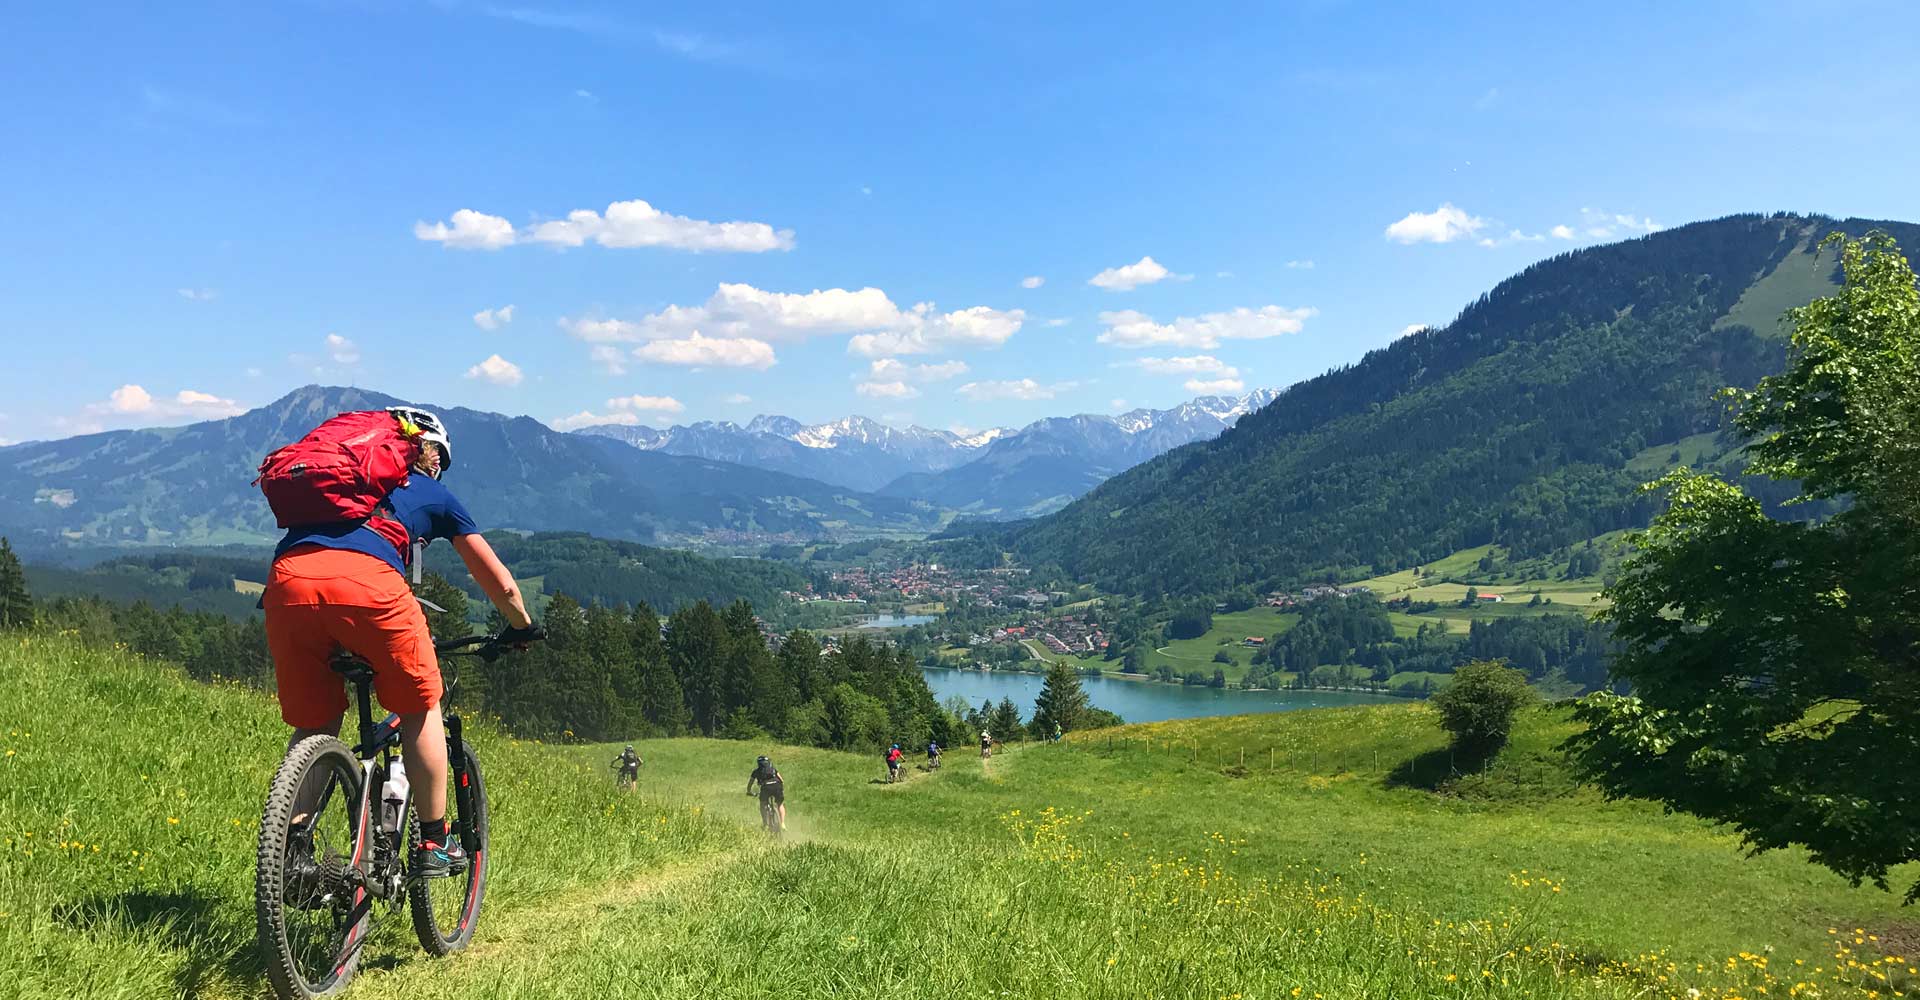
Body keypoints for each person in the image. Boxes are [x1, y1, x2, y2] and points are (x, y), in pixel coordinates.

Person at [263, 407, 541, 877]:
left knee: (317, 723)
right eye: (442, 461)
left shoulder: (339, 485)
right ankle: (434, 841)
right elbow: (500, 583)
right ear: (429, 453)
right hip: (369, 588)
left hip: (287, 584)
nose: (439, 470)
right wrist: (521, 626)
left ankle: (287, 854)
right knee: (420, 705)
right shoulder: (431, 491)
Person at [746, 754, 785, 833]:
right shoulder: (773, 769)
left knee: (763, 804)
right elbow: (781, 780)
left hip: (765, 788)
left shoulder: (756, 771)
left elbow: (750, 783)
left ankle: (765, 824)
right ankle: (783, 823)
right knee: (780, 804)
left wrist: (749, 791)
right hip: (777, 785)